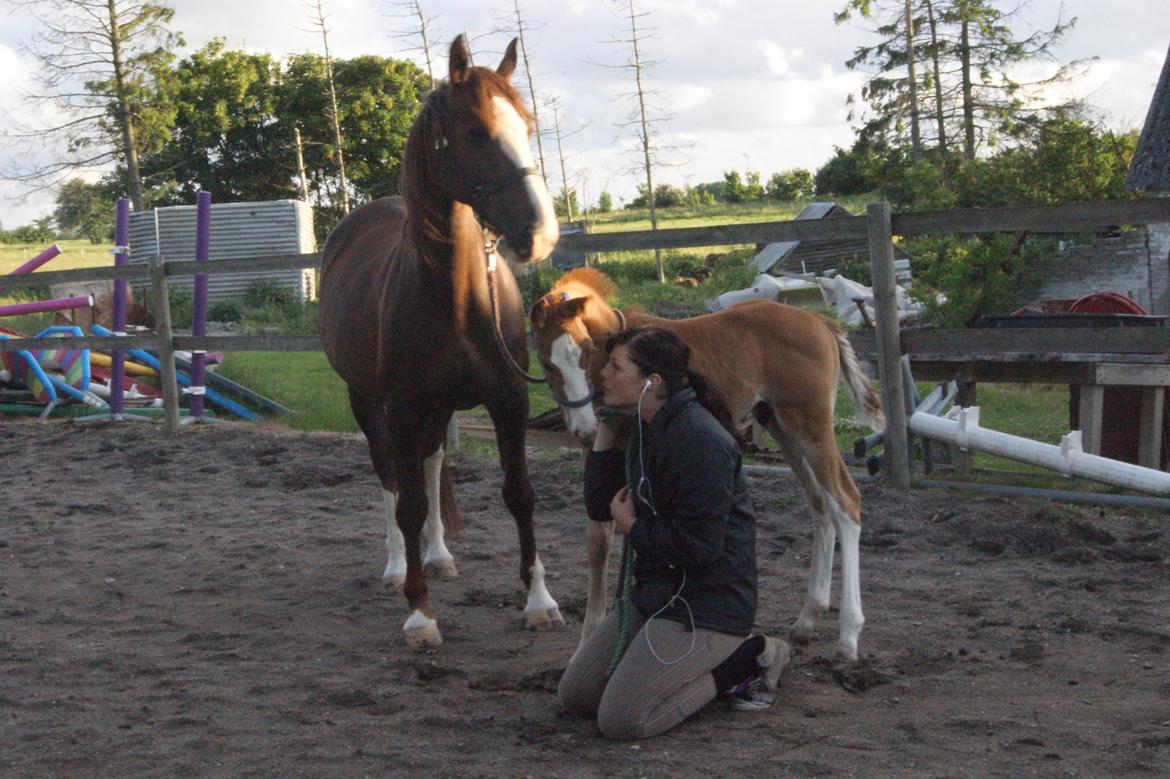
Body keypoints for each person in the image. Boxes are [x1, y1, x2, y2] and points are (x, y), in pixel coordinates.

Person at [557, 326, 790, 740]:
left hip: (706, 604)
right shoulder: (644, 426)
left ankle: (748, 659)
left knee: (623, 721)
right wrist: (606, 428)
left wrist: (633, 527)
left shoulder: (700, 440)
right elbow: (598, 505)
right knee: (576, 696)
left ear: (652, 382)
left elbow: (699, 548)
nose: (602, 375)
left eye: (616, 368)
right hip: (656, 594)